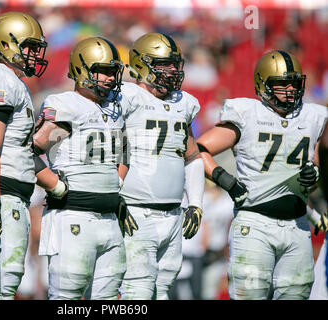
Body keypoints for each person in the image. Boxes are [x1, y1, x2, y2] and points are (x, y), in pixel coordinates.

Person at [196, 50, 327, 300]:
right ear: (263, 85)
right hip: (255, 224)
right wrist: (225, 179)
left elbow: (314, 165)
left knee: (297, 295)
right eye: (281, 84)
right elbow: (198, 149)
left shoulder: (313, 117)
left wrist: (314, 175)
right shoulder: (247, 113)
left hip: (297, 226)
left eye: (294, 83)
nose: (289, 89)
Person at [0, 12, 66, 300]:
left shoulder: (14, 83)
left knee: (1, 281)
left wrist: (55, 184)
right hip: (3, 193)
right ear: (6, 44)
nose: (35, 54)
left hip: (11, 192)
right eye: (29, 47)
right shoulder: (2, 80)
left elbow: (19, 149)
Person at [34, 37, 128, 300]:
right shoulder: (67, 104)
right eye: (104, 71)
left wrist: (116, 183)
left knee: (110, 299)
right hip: (73, 216)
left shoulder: (114, 109)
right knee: (68, 298)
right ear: (81, 69)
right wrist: (54, 184)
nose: (110, 78)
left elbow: (124, 153)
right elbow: (31, 151)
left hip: (110, 219)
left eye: (113, 71)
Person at [118, 32, 205, 300]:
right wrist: (112, 197)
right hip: (135, 212)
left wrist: (196, 203)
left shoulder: (183, 103)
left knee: (164, 290)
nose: (171, 70)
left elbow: (191, 156)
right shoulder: (125, 97)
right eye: (163, 64)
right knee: (137, 292)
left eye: (173, 64)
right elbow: (109, 152)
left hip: (173, 214)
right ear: (142, 64)